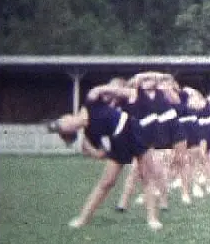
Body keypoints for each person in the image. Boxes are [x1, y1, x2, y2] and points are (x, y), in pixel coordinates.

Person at [48, 84, 163, 231]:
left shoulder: (90, 102)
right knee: (106, 182)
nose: (66, 124)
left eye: (63, 122)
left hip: (131, 128)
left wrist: (124, 93)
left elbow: (107, 90)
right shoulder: (89, 134)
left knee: (147, 176)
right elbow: (101, 153)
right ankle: (82, 219)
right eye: (64, 128)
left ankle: (152, 219)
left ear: (68, 116)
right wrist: (87, 147)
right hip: (118, 142)